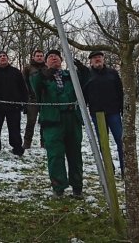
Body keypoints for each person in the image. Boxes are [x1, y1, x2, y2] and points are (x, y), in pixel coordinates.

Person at [29, 49, 89, 198]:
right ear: (46, 62)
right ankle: (58, 188)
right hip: (52, 121)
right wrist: (44, 74)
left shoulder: (71, 76)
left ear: (61, 60)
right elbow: (34, 85)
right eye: (50, 57)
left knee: (75, 154)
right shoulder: (41, 77)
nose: (53, 58)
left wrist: (82, 69)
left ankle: (77, 187)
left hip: (72, 119)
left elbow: (86, 81)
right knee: (55, 156)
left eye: (56, 56)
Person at [82, 51, 125, 174]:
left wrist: (122, 109)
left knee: (121, 141)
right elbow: (83, 95)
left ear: (103, 59)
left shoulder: (113, 73)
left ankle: (124, 169)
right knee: (103, 142)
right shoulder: (87, 75)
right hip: (97, 114)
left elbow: (120, 92)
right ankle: (109, 168)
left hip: (114, 112)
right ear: (91, 61)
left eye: (99, 57)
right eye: (94, 58)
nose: (97, 60)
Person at [0, 51, 27, 157]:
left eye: (4, 56)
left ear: (7, 59)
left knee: (15, 129)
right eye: (0, 57)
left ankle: (17, 148)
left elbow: (23, 89)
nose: (3, 58)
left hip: (13, 107)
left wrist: (24, 103)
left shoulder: (16, 72)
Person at [23, 49, 47, 149]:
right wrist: (26, 97)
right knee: (31, 122)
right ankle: (27, 143)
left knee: (45, 122)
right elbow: (24, 83)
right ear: (33, 57)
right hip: (32, 99)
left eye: (41, 56)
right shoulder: (28, 68)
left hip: (45, 100)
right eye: (37, 56)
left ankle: (44, 143)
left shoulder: (47, 68)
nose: (39, 57)